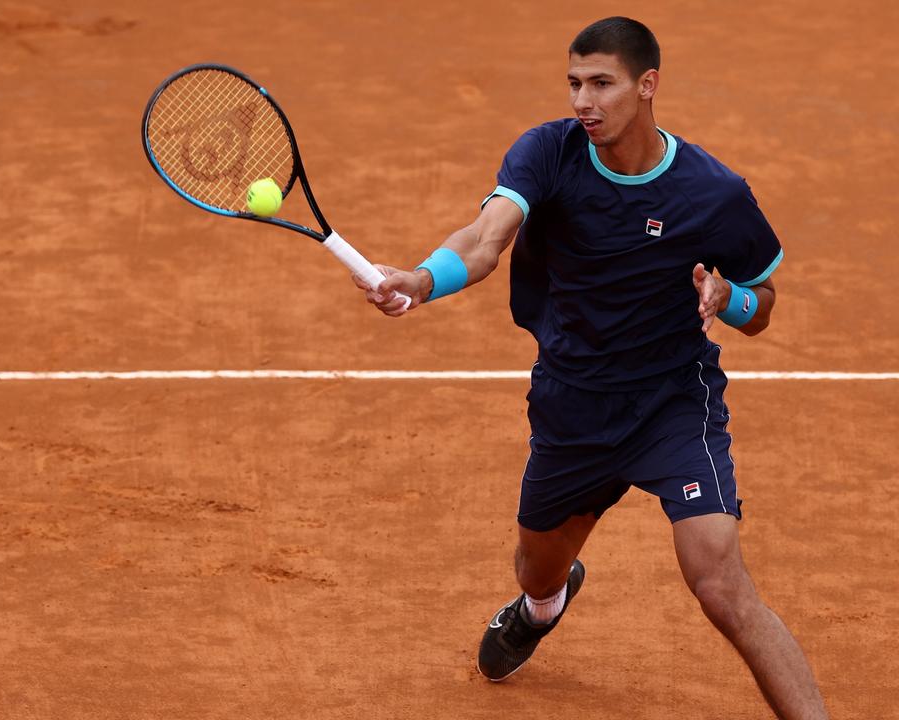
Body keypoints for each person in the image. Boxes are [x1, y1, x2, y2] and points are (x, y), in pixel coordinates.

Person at [353, 16, 828, 720]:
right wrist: (423, 279)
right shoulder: (547, 153)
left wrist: (728, 297)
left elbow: (763, 307)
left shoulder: (714, 195)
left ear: (646, 84)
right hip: (571, 403)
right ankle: (542, 607)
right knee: (535, 569)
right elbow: (486, 239)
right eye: (574, 83)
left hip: (671, 406)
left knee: (721, 586)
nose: (583, 101)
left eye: (601, 83)